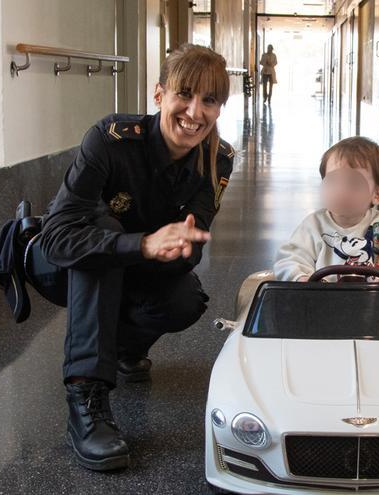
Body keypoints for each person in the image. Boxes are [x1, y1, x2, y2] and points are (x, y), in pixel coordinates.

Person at [33, 43, 234, 470]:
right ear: (159, 94)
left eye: (210, 100)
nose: (195, 112)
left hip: (136, 270)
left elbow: (188, 253)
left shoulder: (218, 160)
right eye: (185, 94)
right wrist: (140, 245)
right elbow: (57, 239)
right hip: (61, 267)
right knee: (102, 234)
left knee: (185, 299)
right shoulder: (110, 140)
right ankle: (86, 398)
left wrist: (177, 247)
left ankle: (121, 346)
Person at [274, 136, 379, 282]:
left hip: (373, 299)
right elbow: (290, 259)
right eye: (333, 181)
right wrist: (301, 277)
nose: (341, 191)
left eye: (354, 183)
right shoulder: (313, 226)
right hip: (323, 299)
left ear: (377, 194)